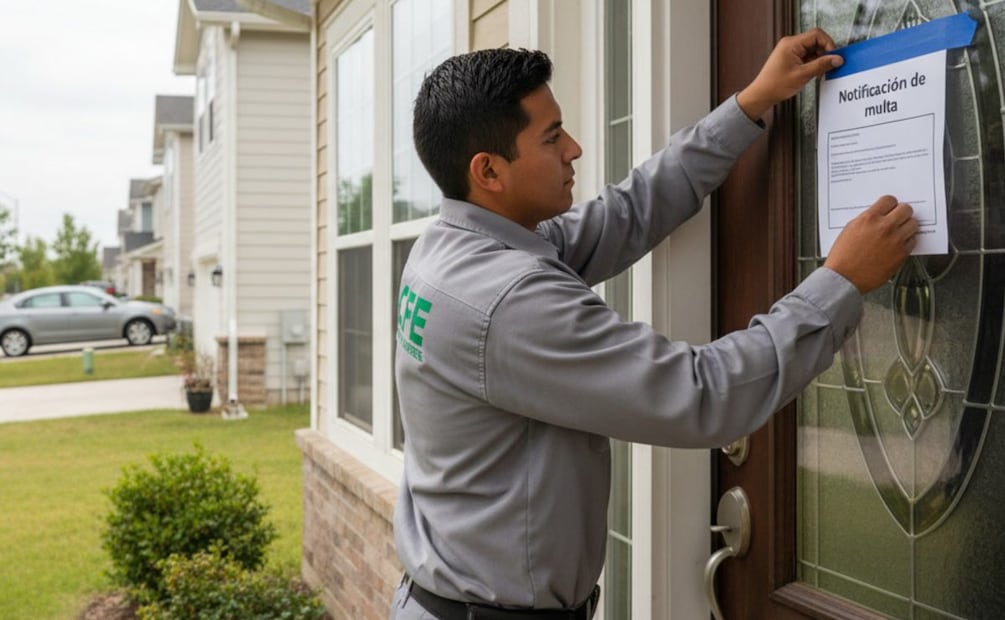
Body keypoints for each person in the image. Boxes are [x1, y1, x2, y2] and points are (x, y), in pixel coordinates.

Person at [390, 29, 918, 620]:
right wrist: (840, 282)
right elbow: (703, 394)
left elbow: (628, 212)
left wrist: (752, 103)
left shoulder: (456, 246)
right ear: (489, 171)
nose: (575, 148)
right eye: (551, 136)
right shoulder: (506, 301)